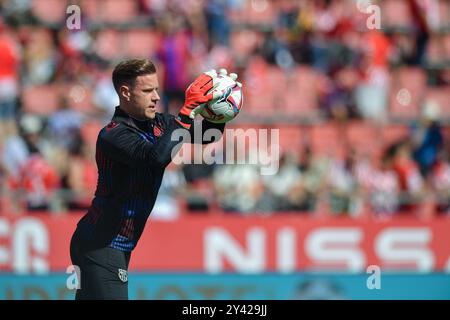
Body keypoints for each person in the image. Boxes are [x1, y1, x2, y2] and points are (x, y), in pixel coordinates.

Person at [70, 59, 235, 299]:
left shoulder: (161, 123)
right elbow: (156, 158)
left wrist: (218, 106)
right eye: (147, 90)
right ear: (125, 93)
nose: (156, 96)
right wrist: (187, 110)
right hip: (100, 243)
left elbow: (208, 135)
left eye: (156, 89)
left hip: (114, 244)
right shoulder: (112, 134)